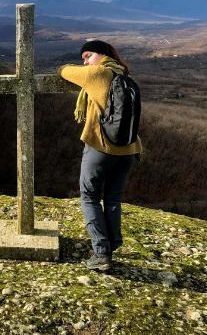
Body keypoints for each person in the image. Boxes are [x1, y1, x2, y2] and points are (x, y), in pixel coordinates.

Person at [58, 40, 142, 271]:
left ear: (103, 55)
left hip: (101, 147)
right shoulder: (125, 76)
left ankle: (101, 253)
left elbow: (65, 71)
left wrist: (66, 68)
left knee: (89, 197)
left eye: (88, 55)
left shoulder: (99, 73)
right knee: (113, 197)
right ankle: (112, 243)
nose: (84, 61)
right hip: (129, 149)